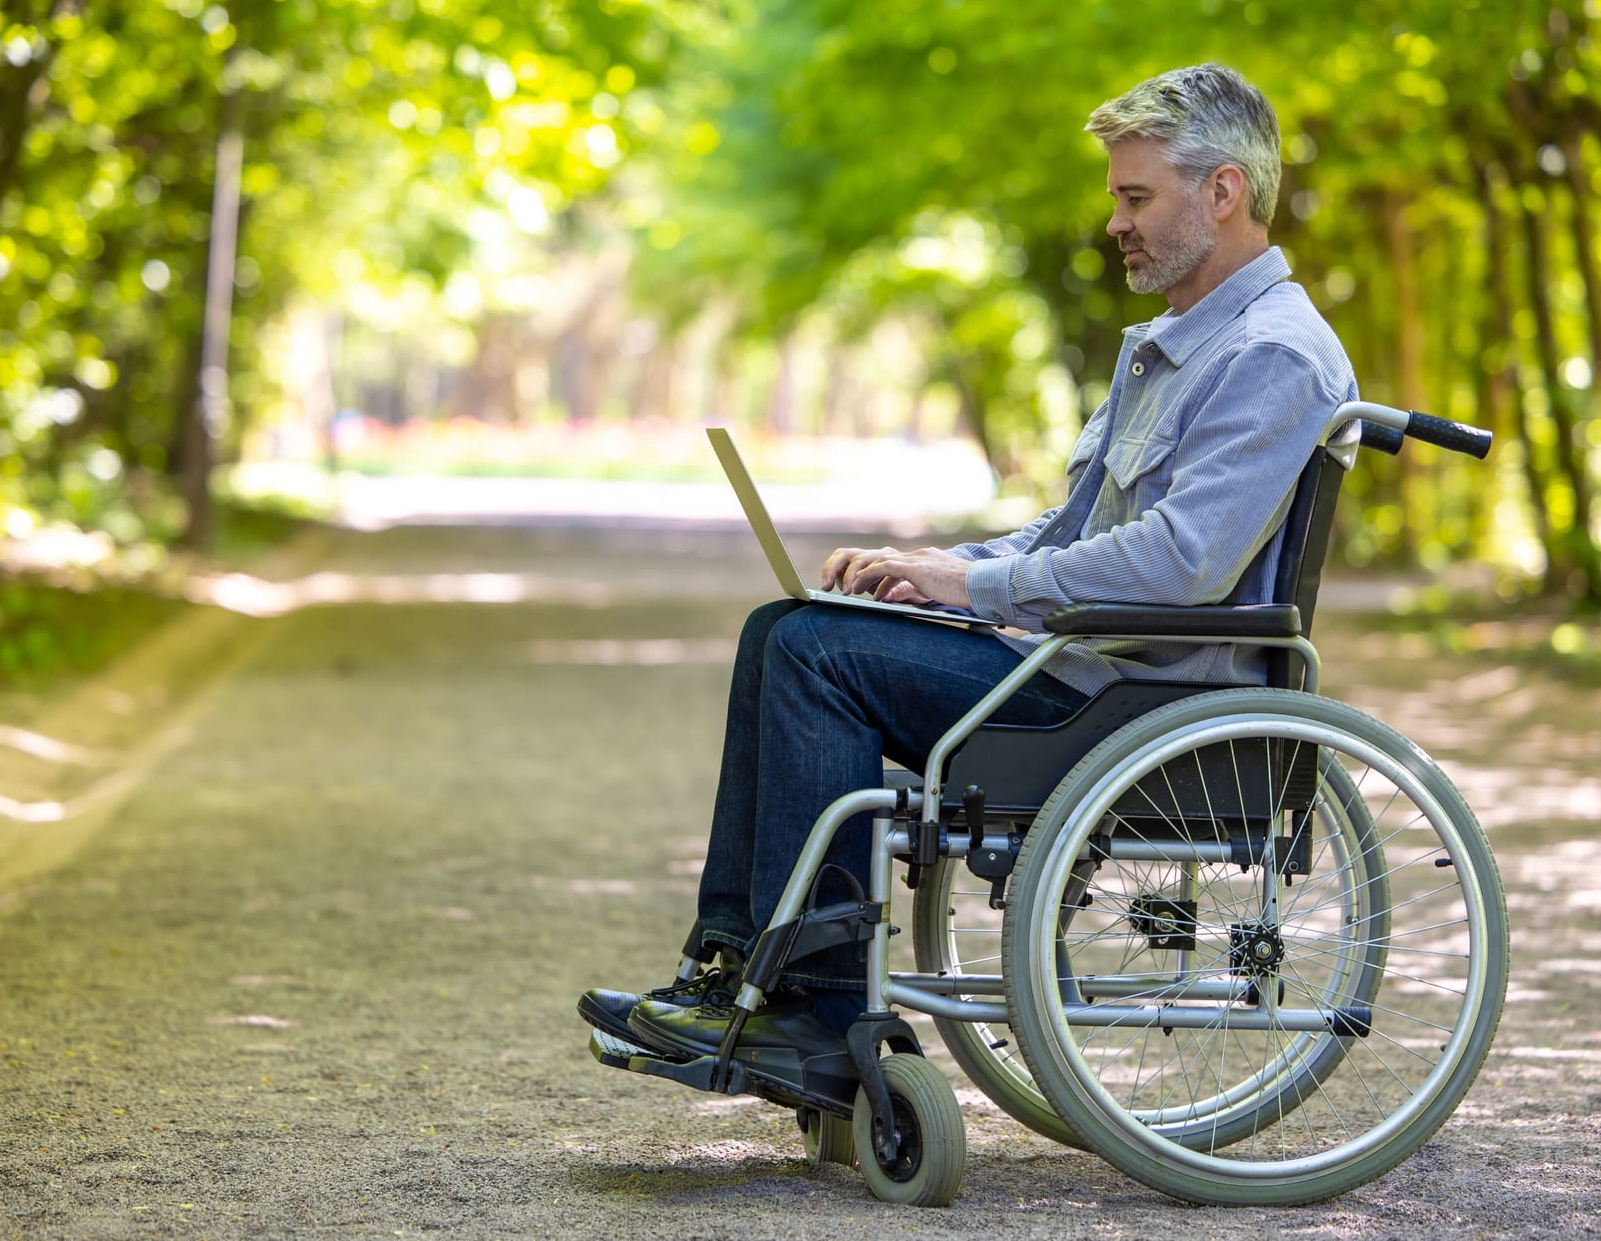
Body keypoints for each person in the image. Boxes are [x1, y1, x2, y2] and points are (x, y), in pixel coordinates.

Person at [579, 63, 1357, 1062]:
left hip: (1137, 708)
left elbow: (1182, 563)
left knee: (814, 653)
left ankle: (811, 1016)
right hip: (1085, 672)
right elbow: (1074, 529)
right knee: (788, 626)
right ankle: (731, 970)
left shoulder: (1272, 354)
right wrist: (937, 568)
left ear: (1222, 192)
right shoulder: (1173, 343)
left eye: (1135, 197)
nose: (1114, 221)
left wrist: (972, 589)